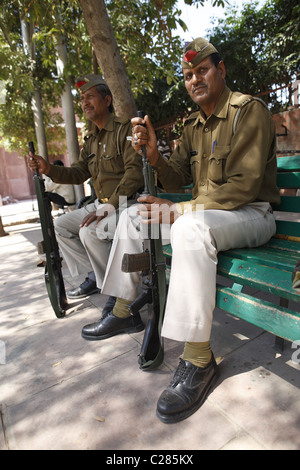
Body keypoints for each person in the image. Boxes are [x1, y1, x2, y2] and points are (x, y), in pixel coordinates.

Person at [82, 38, 280, 423]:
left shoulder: (247, 111)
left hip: (252, 213)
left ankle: (198, 359)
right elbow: (177, 177)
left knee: (188, 228)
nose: (195, 79)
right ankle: (123, 309)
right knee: (133, 216)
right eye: (189, 75)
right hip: (210, 215)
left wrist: (181, 210)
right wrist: (155, 155)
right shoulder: (192, 125)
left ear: (220, 71)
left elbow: (244, 187)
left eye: (202, 70)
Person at [28, 74, 145, 324]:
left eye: (89, 97)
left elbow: (134, 175)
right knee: (61, 226)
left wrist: (109, 206)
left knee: (89, 231)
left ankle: (116, 293)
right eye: (81, 99)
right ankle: (96, 275)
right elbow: (79, 172)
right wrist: (47, 168)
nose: (84, 103)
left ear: (107, 99)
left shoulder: (124, 129)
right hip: (100, 203)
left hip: (126, 203)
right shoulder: (91, 138)